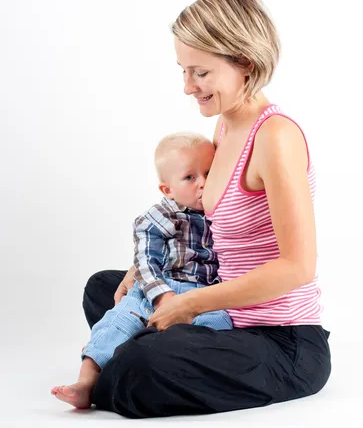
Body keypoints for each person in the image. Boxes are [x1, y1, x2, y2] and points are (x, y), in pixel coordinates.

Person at [82, 0, 331, 419]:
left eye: (200, 73)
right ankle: (141, 349)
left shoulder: (276, 138)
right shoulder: (224, 126)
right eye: (183, 71)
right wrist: (144, 268)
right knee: (104, 287)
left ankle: (128, 359)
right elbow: (202, 226)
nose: (186, 87)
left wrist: (192, 304)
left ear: (245, 64)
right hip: (224, 310)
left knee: (139, 366)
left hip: (281, 339)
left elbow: (298, 266)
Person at [51, 133, 233, 409]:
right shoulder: (157, 218)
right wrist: (163, 298)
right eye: (190, 178)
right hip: (158, 290)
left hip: (204, 296)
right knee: (118, 321)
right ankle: (85, 383)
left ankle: (160, 360)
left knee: (220, 324)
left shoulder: (222, 212)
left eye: (209, 173)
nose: (203, 183)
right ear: (167, 190)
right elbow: (146, 264)